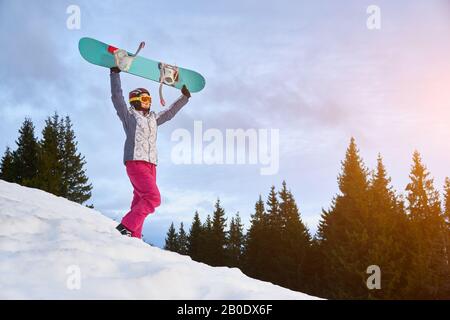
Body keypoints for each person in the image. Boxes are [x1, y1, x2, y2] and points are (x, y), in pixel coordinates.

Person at [109, 66, 191, 238]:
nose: (148, 101)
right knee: (154, 198)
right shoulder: (129, 116)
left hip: (151, 165)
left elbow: (169, 113)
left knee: (140, 200)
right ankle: (125, 227)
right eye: (144, 98)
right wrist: (115, 74)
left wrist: (184, 98)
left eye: (149, 98)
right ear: (136, 100)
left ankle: (134, 238)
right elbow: (117, 98)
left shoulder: (153, 119)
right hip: (135, 162)